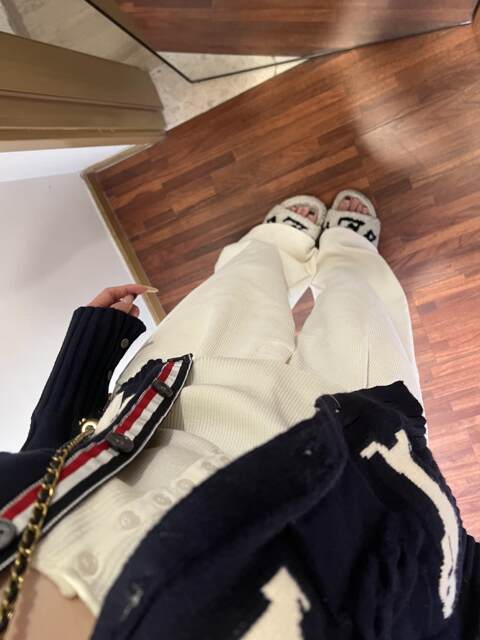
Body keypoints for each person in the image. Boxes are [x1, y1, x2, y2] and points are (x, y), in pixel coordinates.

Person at [0, 190, 478, 640]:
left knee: (245, 278)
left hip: (172, 396)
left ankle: (280, 240)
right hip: (359, 460)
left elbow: (39, 463)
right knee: (361, 300)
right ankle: (350, 248)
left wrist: (83, 362)